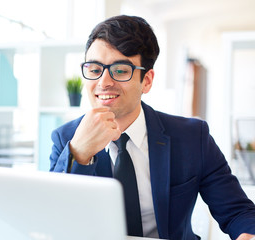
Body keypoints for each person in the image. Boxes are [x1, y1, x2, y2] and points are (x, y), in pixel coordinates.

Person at [49, 15, 255, 240]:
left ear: (146, 81)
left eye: (120, 70)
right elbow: (52, 220)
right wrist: (79, 152)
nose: (103, 82)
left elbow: (237, 212)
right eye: (94, 68)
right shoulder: (66, 139)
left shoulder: (192, 137)